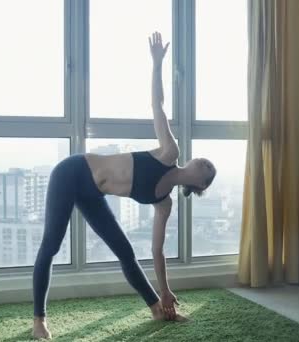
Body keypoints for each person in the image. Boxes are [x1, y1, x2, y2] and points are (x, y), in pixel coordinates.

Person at [32, 32, 217, 339]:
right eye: (206, 160)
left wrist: (167, 290)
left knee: (126, 251)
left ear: (200, 184)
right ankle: (39, 320)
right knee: (51, 245)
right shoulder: (169, 153)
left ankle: (158, 308)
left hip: (93, 194)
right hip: (72, 173)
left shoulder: (164, 202)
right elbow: (158, 105)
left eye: (208, 170)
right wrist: (157, 63)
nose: (204, 162)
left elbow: (157, 251)